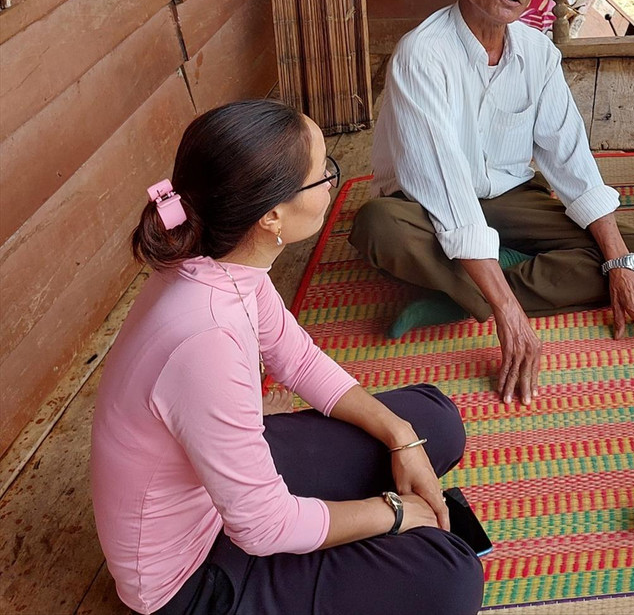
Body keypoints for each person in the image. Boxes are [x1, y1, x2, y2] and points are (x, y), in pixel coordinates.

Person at [91, 100, 482, 615]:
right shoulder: (208, 336)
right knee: (450, 578)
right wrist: (392, 513)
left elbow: (297, 361)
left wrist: (399, 436)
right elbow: (262, 526)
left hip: (216, 490)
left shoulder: (223, 258)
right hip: (191, 578)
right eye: (324, 174)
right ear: (271, 215)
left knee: (433, 420)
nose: (330, 186)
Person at [351, 0, 634, 406]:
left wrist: (619, 261)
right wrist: (506, 310)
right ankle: (493, 284)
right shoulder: (422, 55)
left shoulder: (538, 53)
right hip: (423, 204)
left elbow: (570, 158)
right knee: (377, 226)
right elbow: (445, 186)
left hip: (509, 194)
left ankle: (452, 297)